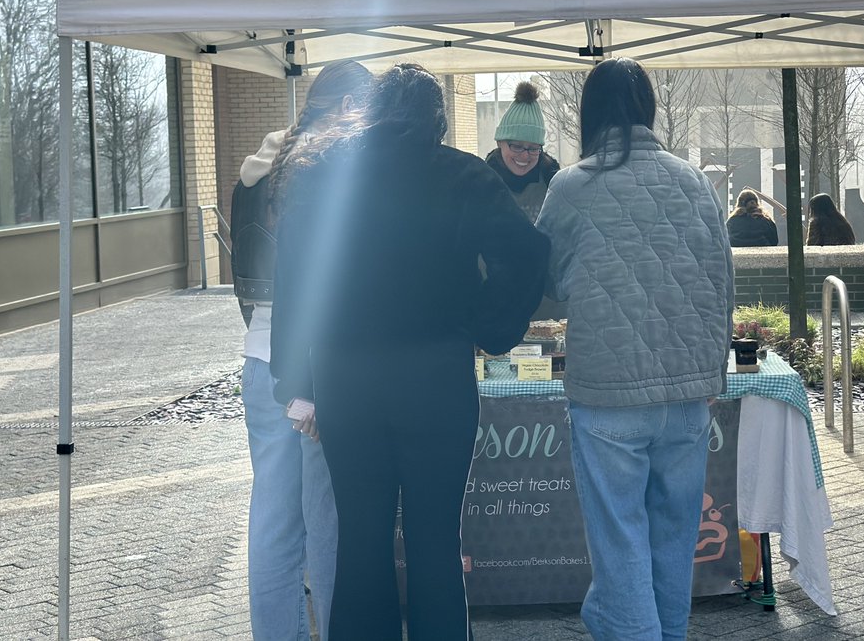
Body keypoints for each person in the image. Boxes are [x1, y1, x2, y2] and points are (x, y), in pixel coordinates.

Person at [269, 63, 549, 641]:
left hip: (346, 377)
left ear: (368, 114)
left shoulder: (322, 178)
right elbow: (524, 254)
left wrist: (292, 381)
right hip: (435, 376)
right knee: (434, 538)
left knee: (362, 538)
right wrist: (484, 324)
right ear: (437, 121)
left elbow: (294, 286)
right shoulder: (462, 175)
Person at [535, 57, 735, 641]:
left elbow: (546, 280)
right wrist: (713, 377)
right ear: (647, 109)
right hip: (688, 393)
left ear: (589, 113)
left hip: (609, 393)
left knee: (620, 538)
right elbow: (723, 282)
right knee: (674, 536)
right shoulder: (695, 180)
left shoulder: (571, 185)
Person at [230, 59, 372, 641]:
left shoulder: (259, 168)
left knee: (273, 520)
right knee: (327, 521)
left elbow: (244, 267)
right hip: (320, 359)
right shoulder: (332, 167)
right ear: (345, 107)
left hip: (261, 353)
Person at [485, 80, 560, 222]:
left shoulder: (552, 181)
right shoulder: (482, 182)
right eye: (517, 146)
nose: (525, 155)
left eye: (533, 148)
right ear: (500, 142)